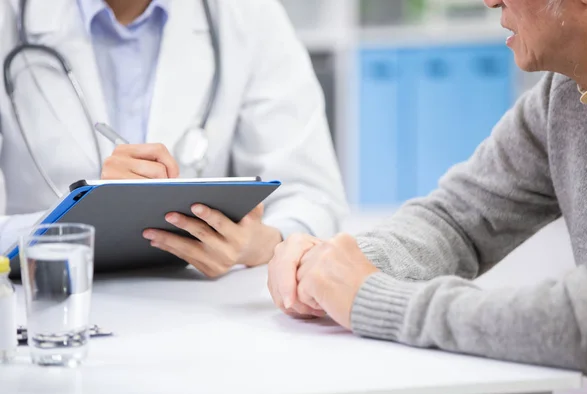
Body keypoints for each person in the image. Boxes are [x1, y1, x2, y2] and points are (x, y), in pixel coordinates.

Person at [267, 0, 587, 380]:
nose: (490, 1)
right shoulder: (564, 94)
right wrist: (333, 267)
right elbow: (458, 218)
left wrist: (376, 301)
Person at [0, 0, 347, 277]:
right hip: (52, 305)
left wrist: (263, 243)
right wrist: (63, 226)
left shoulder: (248, 13)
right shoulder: (9, 16)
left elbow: (313, 194)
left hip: (201, 315)